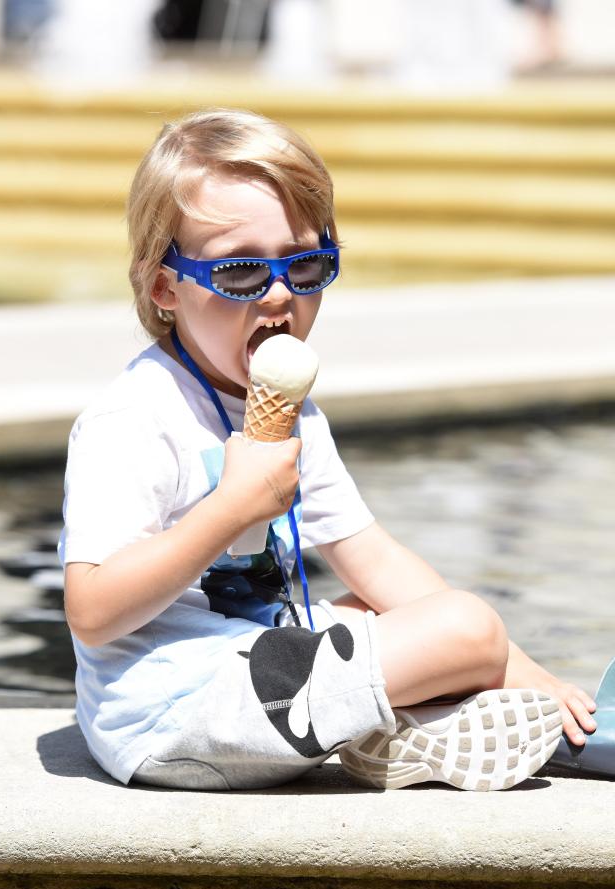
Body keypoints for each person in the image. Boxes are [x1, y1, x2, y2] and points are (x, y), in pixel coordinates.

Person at [59, 107, 596, 792]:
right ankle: (407, 724)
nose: (281, 293)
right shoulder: (133, 417)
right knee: (465, 626)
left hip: (254, 668)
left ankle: (408, 737)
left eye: (306, 265)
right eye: (242, 274)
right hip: (171, 714)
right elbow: (93, 612)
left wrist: (527, 671)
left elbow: (371, 556)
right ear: (166, 287)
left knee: (396, 608)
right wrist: (231, 509)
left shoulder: (297, 414)